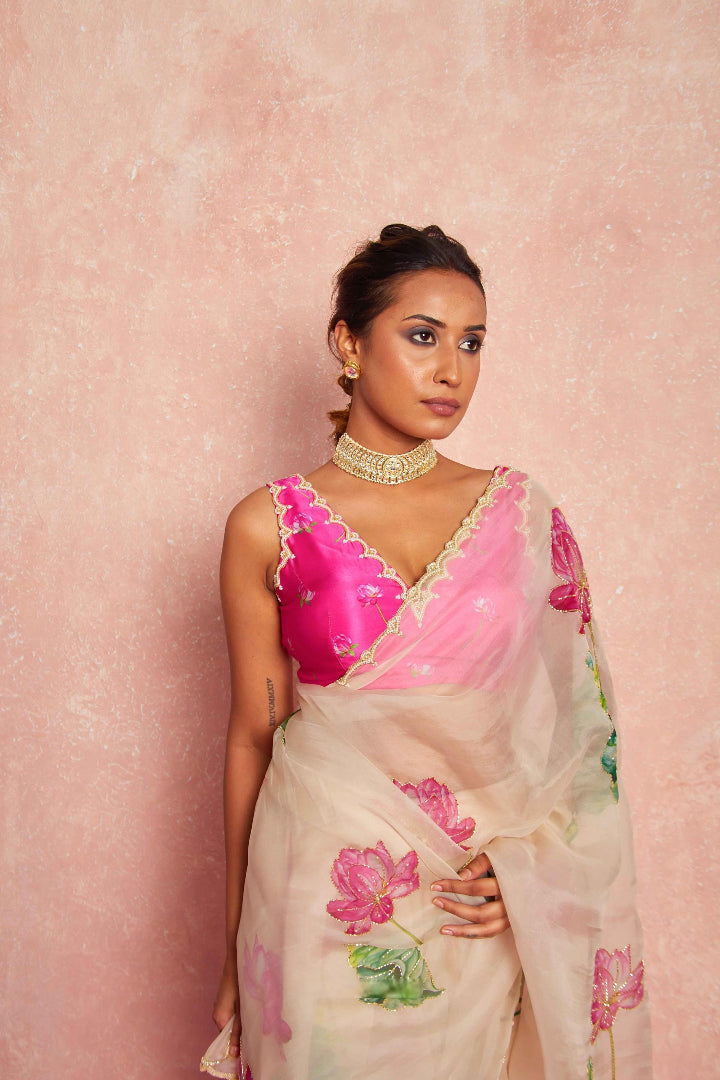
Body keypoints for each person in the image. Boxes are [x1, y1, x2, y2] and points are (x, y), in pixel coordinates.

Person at [200, 224, 652, 1080]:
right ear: (348, 341)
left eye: (472, 343)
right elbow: (252, 738)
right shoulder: (269, 524)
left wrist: (532, 872)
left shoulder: (520, 514)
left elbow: (586, 739)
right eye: (422, 336)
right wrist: (233, 943)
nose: (452, 370)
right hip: (320, 906)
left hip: (479, 903)